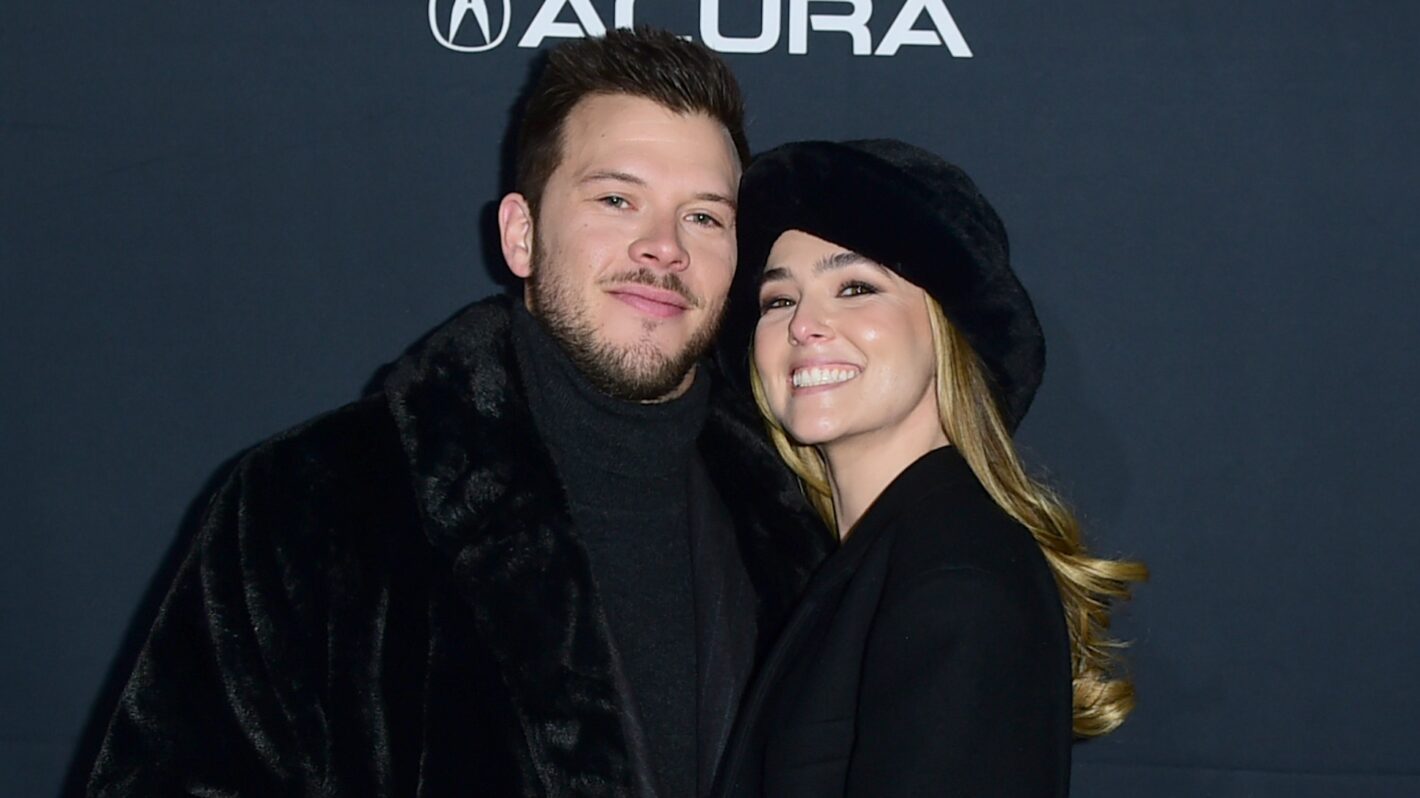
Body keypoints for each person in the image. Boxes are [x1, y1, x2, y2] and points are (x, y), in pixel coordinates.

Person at [85, 29, 831, 797]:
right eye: (617, 200)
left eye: (704, 217)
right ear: (521, 235)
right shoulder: (311, 503)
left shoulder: (804, 521)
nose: (663, 247)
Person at [711, 139, 1147, 797]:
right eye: (778, 300)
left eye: (856, 288)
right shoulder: (879, 561)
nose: (804, 325)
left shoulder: (952, 575)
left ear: (945, 332)